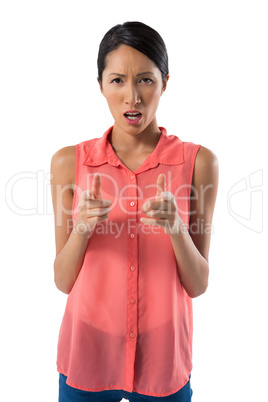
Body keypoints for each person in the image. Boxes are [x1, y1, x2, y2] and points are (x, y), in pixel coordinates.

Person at [50, 21, 219, 402]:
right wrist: (82, 228)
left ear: (165, 82)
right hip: (87, 355)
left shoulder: (199, 163)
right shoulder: (68, 163)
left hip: (163, 361)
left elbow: (198, 284)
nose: (132, 97)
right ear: (100, 85)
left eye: (145, 80)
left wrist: (175, 226)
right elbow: (62, 280)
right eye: (117, 81)